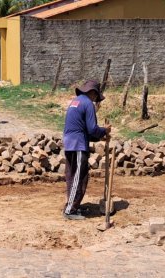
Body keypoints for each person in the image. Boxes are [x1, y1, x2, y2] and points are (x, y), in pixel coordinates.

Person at [62, 80, 111, 220]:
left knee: (73, 176)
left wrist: (99, 137)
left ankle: (74, 205)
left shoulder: (76, 101)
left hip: (71, 142)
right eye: (96, 97)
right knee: (79, 177)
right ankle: (70, 210)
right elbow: (92, 129)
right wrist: (104, 130)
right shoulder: (88, 104)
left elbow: (83, 130)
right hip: (78, 144)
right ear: (93, 93)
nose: (96, 101)